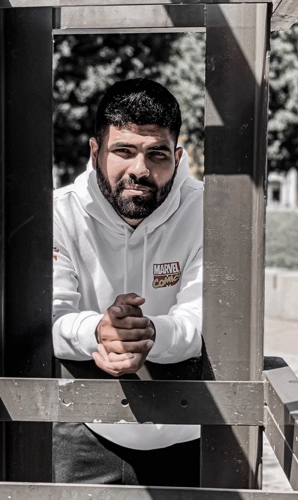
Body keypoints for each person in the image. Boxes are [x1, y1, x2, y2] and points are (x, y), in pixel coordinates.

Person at [52, 78, 203, 486]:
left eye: (157, 154)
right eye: (123, 151)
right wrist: (99, 333)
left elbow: (206, 319)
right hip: (85, 427)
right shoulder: (59, 213)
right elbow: (49, 316)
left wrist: (148, 334)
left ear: (177, 156)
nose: (140, 169)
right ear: (95, 151)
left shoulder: (209, 210)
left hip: (195, 428)